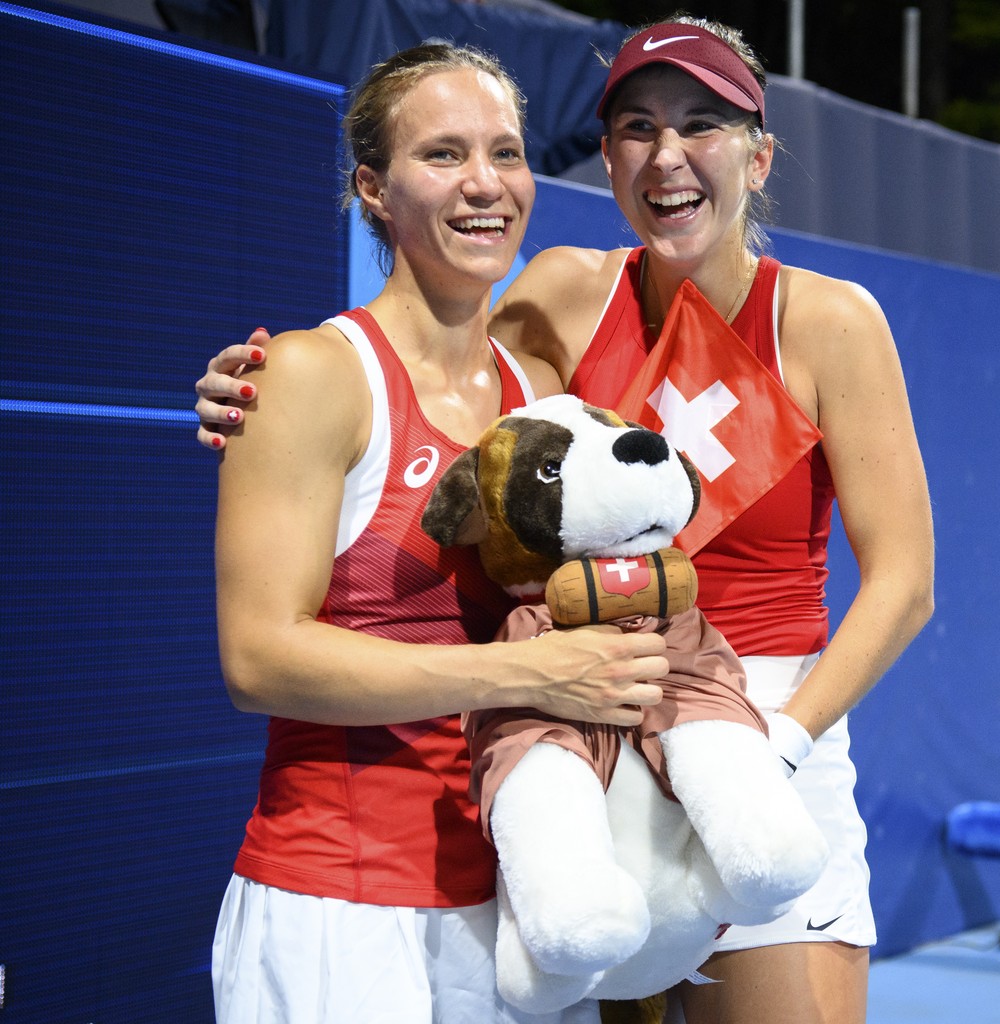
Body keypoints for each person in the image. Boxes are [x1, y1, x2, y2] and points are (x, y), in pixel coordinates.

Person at [197, 17, 935, 1024]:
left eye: (702, 124)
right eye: (638, 126)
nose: (668, 154)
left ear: (758, 156)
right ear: (610, 158)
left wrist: (781, 743)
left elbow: (904, 582)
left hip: (755, 737)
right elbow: (424, 403)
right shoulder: (551, 306)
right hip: (575, 727)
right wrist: (251, 392)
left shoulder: (828, 320)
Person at [207, 42, 670, 1024]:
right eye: (444, 155)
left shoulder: (541, 401)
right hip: (339, 902)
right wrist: (524, 677)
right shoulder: (311, 375)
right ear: (373, 188)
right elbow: (258, 658)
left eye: (506, 153)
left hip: (506, 915)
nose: (485, 184)